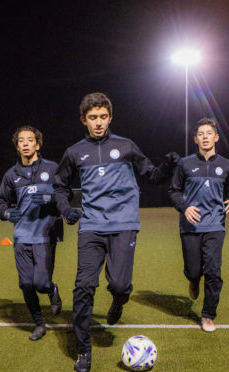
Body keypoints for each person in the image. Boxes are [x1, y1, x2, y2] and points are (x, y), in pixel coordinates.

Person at [53, 92, 179, 372]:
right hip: (91, 227)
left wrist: (168, 166)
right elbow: (59, 186)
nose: (98, 123)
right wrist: (66, 210)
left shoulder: (126, 146)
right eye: (92, 118)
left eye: (103, 117)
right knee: (83, 286)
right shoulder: (74, 152)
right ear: (84, 120)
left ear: (110, 118)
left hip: (124, 225)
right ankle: (84, 350)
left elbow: (152, 175)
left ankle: (118, 301)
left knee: (120, 285)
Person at [168, 117, 229, 333]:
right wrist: (184, 207)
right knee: (193, 270)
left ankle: (208, 315)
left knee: (213, 271)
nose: (205, 137)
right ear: (195, 139)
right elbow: (174, 191)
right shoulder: (185, 163)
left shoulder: (226, 165)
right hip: (190, 227)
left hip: (215, 225)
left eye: (209, 133)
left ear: (216, 137)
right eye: (201, 134)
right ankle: (192, 279)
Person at [0, 125, 63, 342]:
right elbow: (0, 201)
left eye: (29, 140)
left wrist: (49, 200)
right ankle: (39, 323)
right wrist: (6, 213)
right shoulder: (11, 175)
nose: (25, 143)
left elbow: (66, 194)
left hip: (45, 235)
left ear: (38, 144)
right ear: (17, 146)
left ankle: (52, 289)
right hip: (22, 236)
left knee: (41, 283)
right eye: (21, 141)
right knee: (26, 284)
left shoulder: (52, 169)